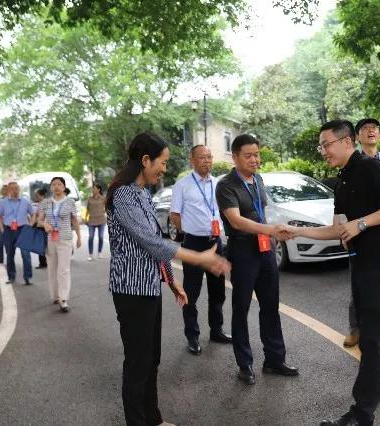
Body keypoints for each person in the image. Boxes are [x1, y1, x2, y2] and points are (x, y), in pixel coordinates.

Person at [288, 120, 380, 426]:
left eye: (326, 144)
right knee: (375, 327)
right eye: (321, 146)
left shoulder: (370, 167)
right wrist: (295, 232)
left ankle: (362, 413)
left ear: (346, 142)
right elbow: (337, 228)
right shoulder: (342, 180)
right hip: (360, 261)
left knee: (370, 338)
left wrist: (362, 223)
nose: (323, 151)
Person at [107, 132, 230, 426]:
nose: (164, 168)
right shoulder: (124, 194)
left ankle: (154, 419)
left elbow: (156, 241)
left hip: (148, 287)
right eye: (162, 162)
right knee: (138, 363)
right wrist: (199, 257)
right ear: (145, 160)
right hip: (131, 291)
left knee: (152, 359)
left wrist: (172, 281)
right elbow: (152, 242)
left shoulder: (142, 193)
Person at [215, 134, 298, 386]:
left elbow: (261, 211)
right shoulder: (226, 185)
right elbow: (236, 220)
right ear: (235, 156)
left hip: (265, 250)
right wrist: (270, 230)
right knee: (241, 307)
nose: (255, 160)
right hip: (242, 251)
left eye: (257, 154)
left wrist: (270, 234)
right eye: (248, 155)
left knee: (271, 305)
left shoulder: (258, 179)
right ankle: (245, 364)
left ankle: (274, 359)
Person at [340, 117, 380, 348]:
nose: (370, 132)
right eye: (365, 129)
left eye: (374, 128)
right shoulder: (353, 163)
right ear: (357, 137)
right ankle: (355, 329)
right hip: (359, 231)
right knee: (358, 282)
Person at [170, 145, 232, 355]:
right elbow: (175, 215)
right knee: (191, 292)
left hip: (215, 242)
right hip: (193, 243)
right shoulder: (182, 185)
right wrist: (185, 233)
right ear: (192, 161)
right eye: (202, 158)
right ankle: (192, 336)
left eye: (209, 157)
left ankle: (217, 330)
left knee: (218, 291)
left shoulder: (218, 184)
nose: (207, 161)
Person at [37, 177, 82, 312]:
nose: (56, 186)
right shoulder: (46, 202)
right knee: (52, 269)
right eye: (54, 184)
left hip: (65, 238)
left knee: (64, 269)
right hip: (51, 239)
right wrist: (44, 224)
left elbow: (74, 220)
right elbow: (39, 220)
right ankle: (55, 295)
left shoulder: (69, 202)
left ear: (63, 187)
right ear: (51, 187)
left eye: (59, 184)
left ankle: (64, 299)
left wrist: (79, 237)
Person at [0, 181, 35, 285]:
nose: (15, 190)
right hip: (8, 230)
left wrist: (30, 226)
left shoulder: (26, 202)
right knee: (10, 255)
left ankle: (27, 277)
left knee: (25, 254)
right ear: (8, 190)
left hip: (23, 229)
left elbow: (33, 214)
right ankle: (11, 276)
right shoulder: (2, 202)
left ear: (19, 189)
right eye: (12, 188)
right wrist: (2, 229)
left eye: (16, 188)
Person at [86, 183, 107, 261]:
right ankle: (90, 254)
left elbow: (107, 208)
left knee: (101, 237)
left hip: (101, 220)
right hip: (92, 220)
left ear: (98, 190)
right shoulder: (89, 199)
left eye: (94, 188)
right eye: (92, 189)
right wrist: (86, 218)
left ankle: (99, 252)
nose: (93, 190)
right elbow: (87, 209)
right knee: (91, 237)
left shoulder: (103, 198)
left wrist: (105, 214)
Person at [32, 188, 48, 269]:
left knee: (43, 245)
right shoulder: (39, 203)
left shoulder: (45, 203)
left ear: (41, 195)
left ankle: (44, 263)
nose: (36, 197)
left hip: (43, 227)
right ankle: (43, 263)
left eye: (37, 195)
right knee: (41, 245)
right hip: (39, 226)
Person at [0, 184, 8, 264]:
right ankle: (0, 260)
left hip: (10, 224)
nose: (3, 191)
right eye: (3, 190)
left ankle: (10, 258)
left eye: (5, 189)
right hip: (1, 224)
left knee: (9, 243)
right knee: (0, 243)